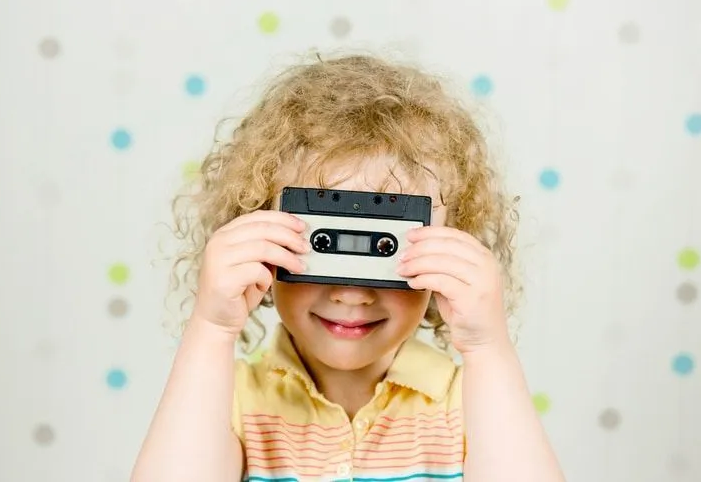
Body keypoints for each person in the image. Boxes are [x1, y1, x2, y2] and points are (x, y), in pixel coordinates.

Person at [130, 52, 566, 482]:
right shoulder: (229, 399)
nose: (351, 294)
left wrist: (488, 348)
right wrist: (211, 329)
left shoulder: (472, 404)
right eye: (322, 245)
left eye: (386, 248)